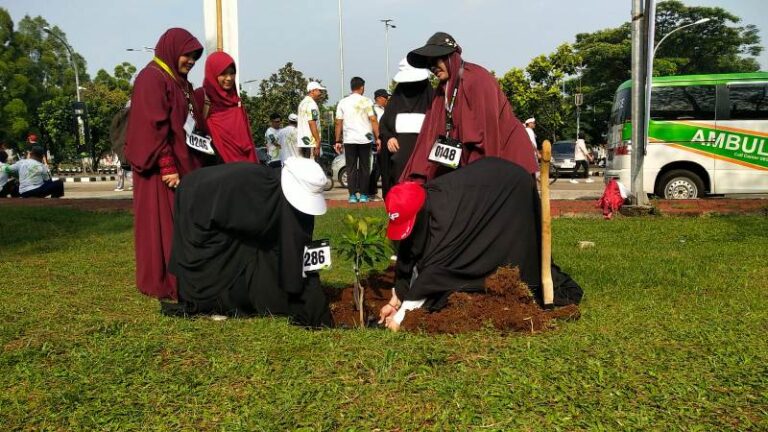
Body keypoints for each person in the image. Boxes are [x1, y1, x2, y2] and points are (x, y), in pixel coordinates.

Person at [378, 158, 582, 331]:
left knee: (496, 250)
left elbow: (436, 272)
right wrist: (396, 299)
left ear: (421, 212)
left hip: (509, 189)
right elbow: (410, 252)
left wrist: (400, 319)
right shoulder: (424, 203)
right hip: (481, 185)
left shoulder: (446, 220)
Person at [165, 157, 333, 327]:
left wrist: (308, 287)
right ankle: (212, 299)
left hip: (214, 206)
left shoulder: (273, 191)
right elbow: (289, 245)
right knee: (216, 276)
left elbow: (295, 244)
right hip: (196, 204)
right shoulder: (260, 189)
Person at [125, 28, 206, 300]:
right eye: (187, 54)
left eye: (195, 56)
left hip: (185, 167)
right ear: (172, 49)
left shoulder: (178, 81)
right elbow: (153, 125)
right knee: (164, 226)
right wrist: (168, 165)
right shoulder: (152, 78)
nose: (191, 61)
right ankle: (165, 281)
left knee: (183, 225)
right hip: (161, 172)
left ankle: (188, 276)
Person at [400, 32, 538, 183]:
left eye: (435, 60)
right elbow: (429, 137)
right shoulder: (441, 91)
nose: (433, 67)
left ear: (450, 57)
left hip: (508, 159)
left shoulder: (476, 79)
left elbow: (487, 135)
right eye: (429, 64)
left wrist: (479, 180)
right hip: (469, 167)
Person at [379, 57, 434, 196]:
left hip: (425, 154)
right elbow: (384, 125)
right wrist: (389, 138)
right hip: (399, 157)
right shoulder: (396, 100)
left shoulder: (431, 98)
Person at [197, 51, 259, 164]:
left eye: (232, 73)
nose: (229, 78)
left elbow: (248, 140)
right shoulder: (201, 97)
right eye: (223, 73)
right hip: (217, 166)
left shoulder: (237, 102)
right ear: (212, 73)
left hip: (244, 166)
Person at [334, 77, 380, 203]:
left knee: (351, 168)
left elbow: (338, 122)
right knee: (365, 168)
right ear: (362, 87)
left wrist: (337, 140)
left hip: (349, 140)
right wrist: (378, 137)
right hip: (365, 139)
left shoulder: (343, 102)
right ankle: (364, 195)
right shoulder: (367, 101)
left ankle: (352, 195)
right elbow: (373, 119)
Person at [297, 82, 325, 160]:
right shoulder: (312, 104)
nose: (320, 93)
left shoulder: (302, 103)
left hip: (303, 142)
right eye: (319, 90)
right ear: (312, 91)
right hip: (311, 143)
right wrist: (318, 141)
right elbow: (312, 123)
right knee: (313, 168)